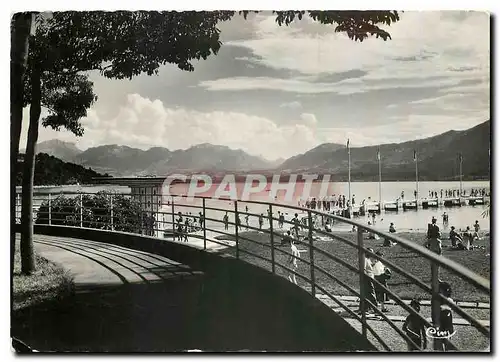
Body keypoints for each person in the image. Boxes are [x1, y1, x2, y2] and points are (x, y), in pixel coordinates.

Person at [357, 248, 377, 315]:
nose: (372, 254)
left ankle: (363, 309)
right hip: (367, 279)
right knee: (371, 293)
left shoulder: (367, 259)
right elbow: (363, 270)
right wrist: (368, 278)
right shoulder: (364, 259)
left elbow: (369, 268)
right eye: (371, 252)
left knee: (365, 294)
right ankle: (375, 309)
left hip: (368, 278)